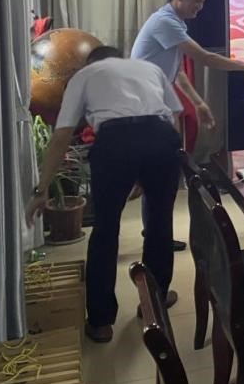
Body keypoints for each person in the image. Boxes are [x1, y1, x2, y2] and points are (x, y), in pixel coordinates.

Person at [25, 46, 184, 343]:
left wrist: (42, 188)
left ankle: (100, 322)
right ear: (120, 58)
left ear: (90, 62)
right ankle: (155, 302)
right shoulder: (149, 69)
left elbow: (62, 134)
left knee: (105, 231)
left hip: (114, 142)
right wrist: (161, 159)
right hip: (161, 139)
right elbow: (174, 116)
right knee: (160, 224)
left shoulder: (85, 75)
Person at [132, 0, 244, 129]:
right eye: (196, 0)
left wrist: (198, 103)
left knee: (169, 139)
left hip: (153, 95)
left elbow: (178, 72)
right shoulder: (164, 22)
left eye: (202, 2)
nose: (200, 6)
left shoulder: (174, 22)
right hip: (145, 98)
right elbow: (205, 58)